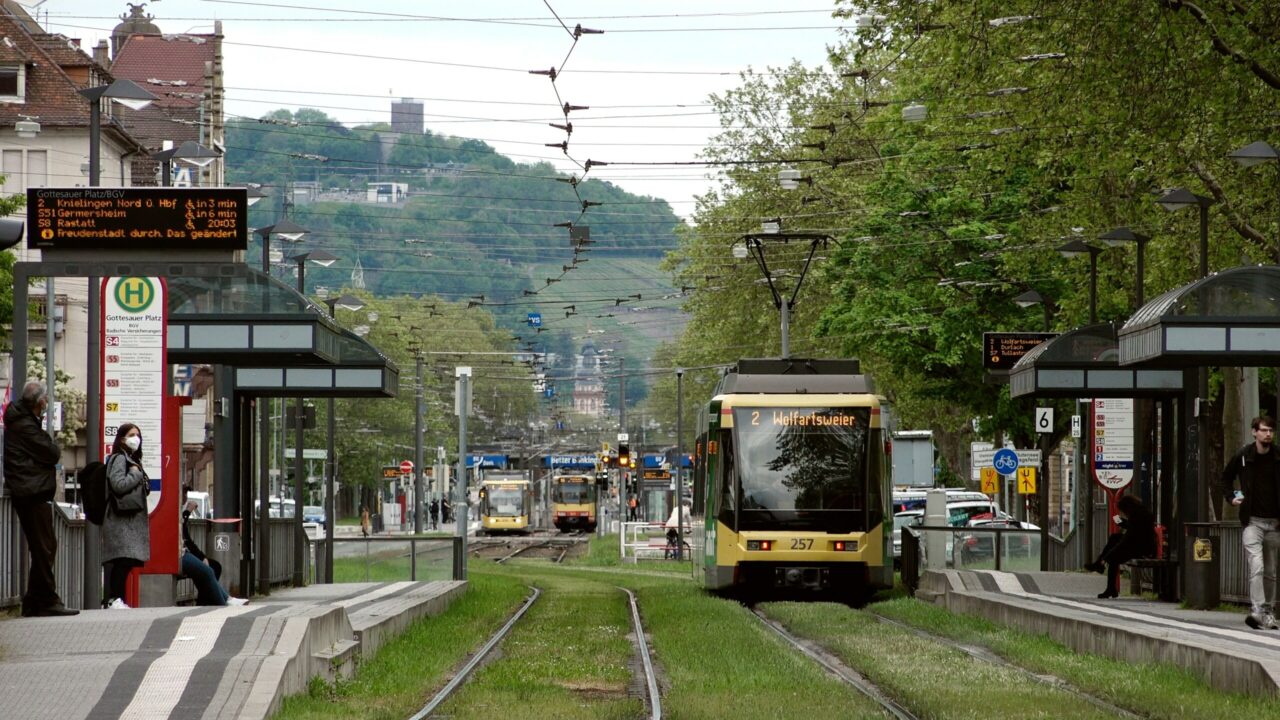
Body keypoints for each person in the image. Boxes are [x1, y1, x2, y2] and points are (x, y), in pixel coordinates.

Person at [3, 381, 77, 617]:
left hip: (30, 490)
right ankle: (45, 600)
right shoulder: (25, 425)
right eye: (45, 399)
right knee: (45, 546)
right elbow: (51, 452)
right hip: (30, 491)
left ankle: (36, 599)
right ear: (39, 402)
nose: (47, 403)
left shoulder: (23, 422)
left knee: (44, 545)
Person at [1221, 414, 1280, 629]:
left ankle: (1268, 612)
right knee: (1257, 565)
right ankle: (1257, 609)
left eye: (1271, 431)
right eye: (1264, 430)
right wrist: (1231, 497)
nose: (1268, 434)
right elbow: (1225, 477)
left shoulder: (1278, 456)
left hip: (1274, 524)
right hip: (1252, 522)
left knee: (1271, 571)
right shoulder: (1244, 456)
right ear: (1254, 432)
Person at [102, 423, 150, 609]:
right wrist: (136, 475)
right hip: (121, 519)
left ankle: (117, 599)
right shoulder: (120, 459)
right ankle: (115, 599)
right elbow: (118, 484)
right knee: (123, 559)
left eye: (138, 434)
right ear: (122, 439)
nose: (136, 438)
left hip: (127, 520)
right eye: (131, 434)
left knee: (127, 560)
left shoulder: (130, 459)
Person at [1086, 494, 1156, 599]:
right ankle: (1099, 566)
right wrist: (1118, 520)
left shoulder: (1137, 516)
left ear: (1127, 508)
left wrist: (1108, 556)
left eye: (1124, 511)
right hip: (1140, 544)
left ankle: (1110, 587)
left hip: (1141, 548)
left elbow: (1127, 539)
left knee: (1113, 559)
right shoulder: (1140, 512)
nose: (1125, 514)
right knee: (1114, 538)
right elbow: (1130, 527)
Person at [182, 498, 248, 606]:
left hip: (184, 552)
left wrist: (202, 557)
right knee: (209, 570)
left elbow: (187, 539)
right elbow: (185, 535)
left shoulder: (179, 511)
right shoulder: (179, 513)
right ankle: (223, 602)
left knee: (213, 567)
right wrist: (187, 512)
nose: (185, 497)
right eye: (184, 492)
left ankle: (214, 600)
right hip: (181, 554)